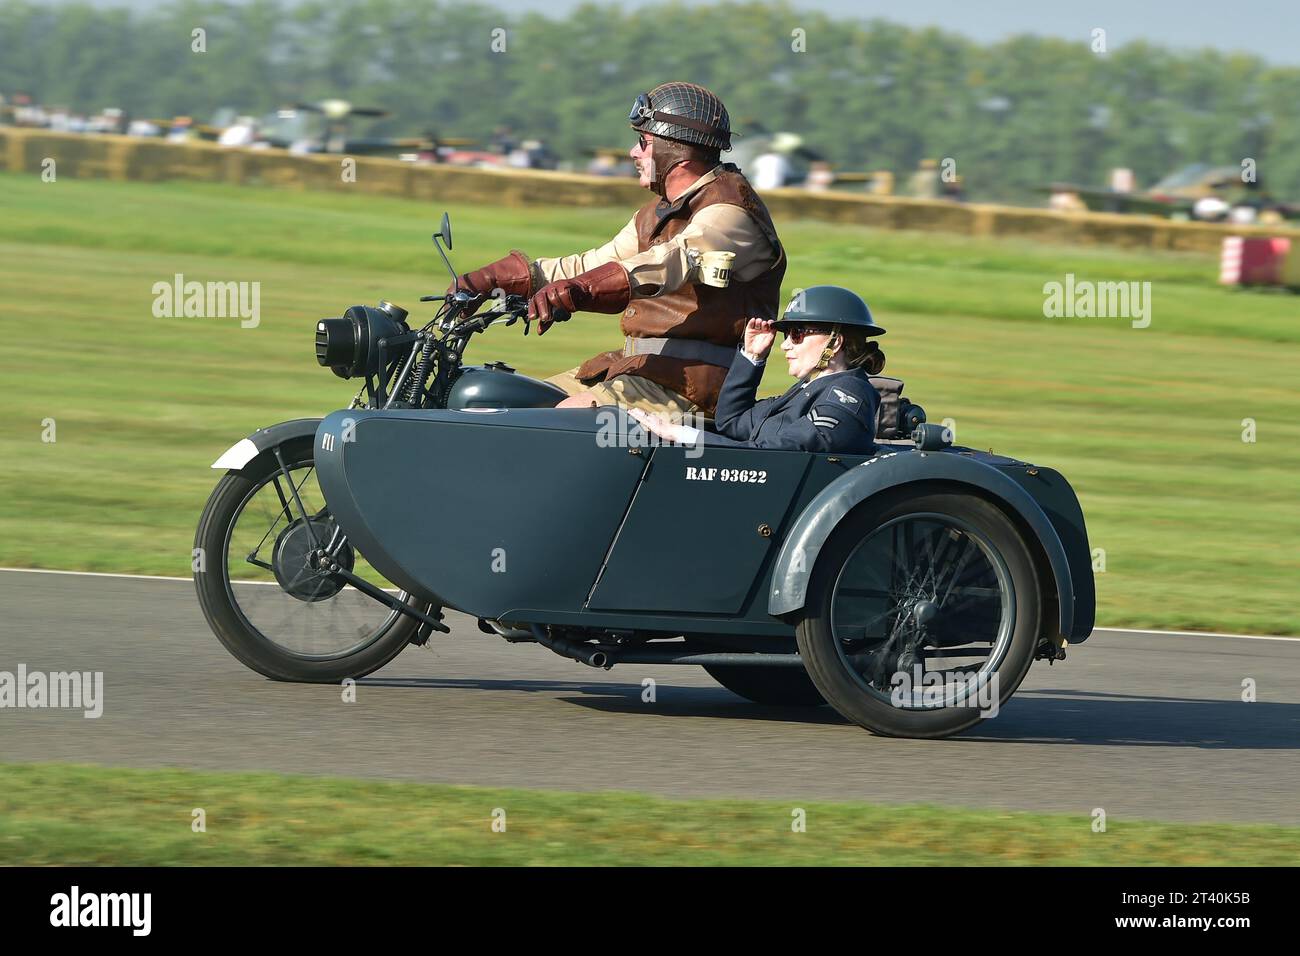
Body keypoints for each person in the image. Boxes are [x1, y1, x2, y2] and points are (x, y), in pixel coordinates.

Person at [446, 82, 786, 419]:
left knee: (556, 422)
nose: (633, 153)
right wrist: (498, 279)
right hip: (641, 369)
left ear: (676, 152)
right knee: (510, 403)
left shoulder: (729, 211)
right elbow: (595, 262)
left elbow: (671, 260)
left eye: (644, 142)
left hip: (692, 385)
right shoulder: (657, 213)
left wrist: (582, 290)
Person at [630, 285, 885, 453]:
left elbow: (770, 454)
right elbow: (732, 422)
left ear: (835, 342)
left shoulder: (846, 397)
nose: (784, 345)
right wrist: (752, 357)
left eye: (796, 334)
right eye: (786, 334)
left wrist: (679, 434)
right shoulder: (808, 390)